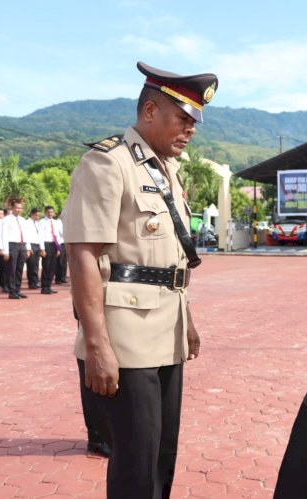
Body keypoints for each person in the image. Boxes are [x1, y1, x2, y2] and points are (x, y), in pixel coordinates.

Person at [61, 60, 215, 498]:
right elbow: (84, 255)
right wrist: (96, 344)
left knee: (163, 453)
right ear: (149, 111)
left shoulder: (165, 168)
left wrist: (187, 321)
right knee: (135, 460)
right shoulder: (106, 163)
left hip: (166, 329)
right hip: (125, 337)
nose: (190, 130)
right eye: (182, 119)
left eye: (194, 122)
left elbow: (167, 260)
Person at [1, 200, 32, 300]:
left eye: (20, 208)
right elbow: (4, 235)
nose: (19, 210)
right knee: (12, 269)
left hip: (22, 245)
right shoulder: (6, 219)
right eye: (17, 208)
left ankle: (18, 290)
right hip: (12, 245)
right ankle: (12, 291)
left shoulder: (23, 220)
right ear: (12, 208)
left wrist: (28, 248)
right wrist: (5, 251)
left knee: (19, 269)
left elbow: (26, 234)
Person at [37, 206, 61, 295]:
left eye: (51, 212)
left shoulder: (55, 222)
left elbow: (57, 235)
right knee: (46, 266)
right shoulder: (42, 222)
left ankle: (49, 286)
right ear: (45, 213)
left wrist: (58, 248)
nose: (50, 214)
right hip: (46, 244)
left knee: (52, 267)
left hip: (54, 245)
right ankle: (44, 287)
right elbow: (40, 235)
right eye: (48, 212)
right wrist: (42, 249)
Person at [25, 207, 44, 289]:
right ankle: (31, 282)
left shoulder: (37, 223)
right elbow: (26, 236)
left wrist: (41, 247)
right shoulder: (26, 223)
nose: (38, 217)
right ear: (32, 214)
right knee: (31, 265)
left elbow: (40, 236)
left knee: (36, 265)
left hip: (37, 245)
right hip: (31, 245)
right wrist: (28, 247)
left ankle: (35, 281)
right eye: (37, 215)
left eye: (39, 216)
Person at [54, 210, 68, 284]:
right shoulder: (57, 222)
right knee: (60, 262)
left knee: (64, 262)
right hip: (60, 243)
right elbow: (61, 232)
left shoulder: (64, 222)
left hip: (65, 243)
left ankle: (63, 277)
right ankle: (58, 278)